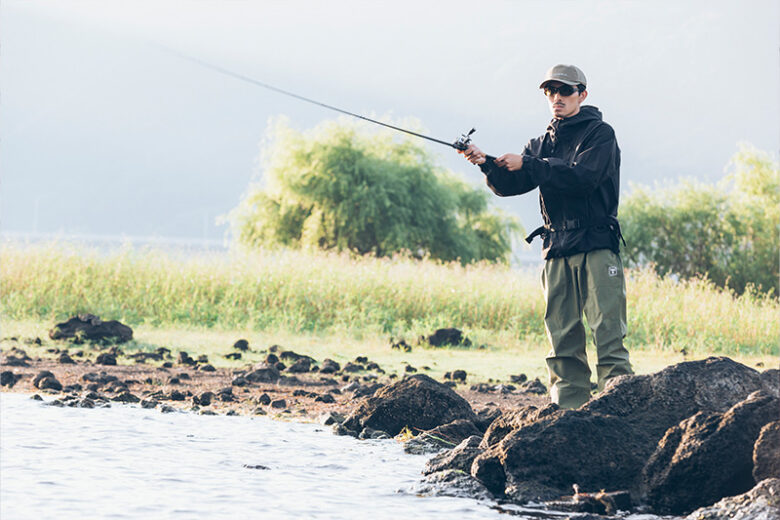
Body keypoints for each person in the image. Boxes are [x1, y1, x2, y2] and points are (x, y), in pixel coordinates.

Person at [459, 64, 633, 409]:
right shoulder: (540, 144)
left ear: (582, 94)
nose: (557, 97)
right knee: (562, 335)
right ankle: (568, 411)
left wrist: (529, 164)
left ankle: (622, 409)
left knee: (607, 332)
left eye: (565, 91)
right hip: (555, 249)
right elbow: (511, 186)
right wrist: (485, 163)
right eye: (550, 91)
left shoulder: (601, 134)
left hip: (596, 244)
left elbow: (583, 177)